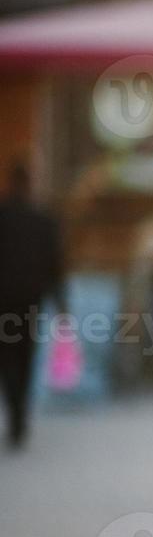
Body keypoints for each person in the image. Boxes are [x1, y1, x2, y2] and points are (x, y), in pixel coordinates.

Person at [0, 163, 64, 451]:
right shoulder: (44, 220)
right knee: (25, 355)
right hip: (31, 301)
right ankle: (20, 414)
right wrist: (61, 304)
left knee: (7, 358)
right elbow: (56, 265)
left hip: (4, 301)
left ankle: (15, 411)